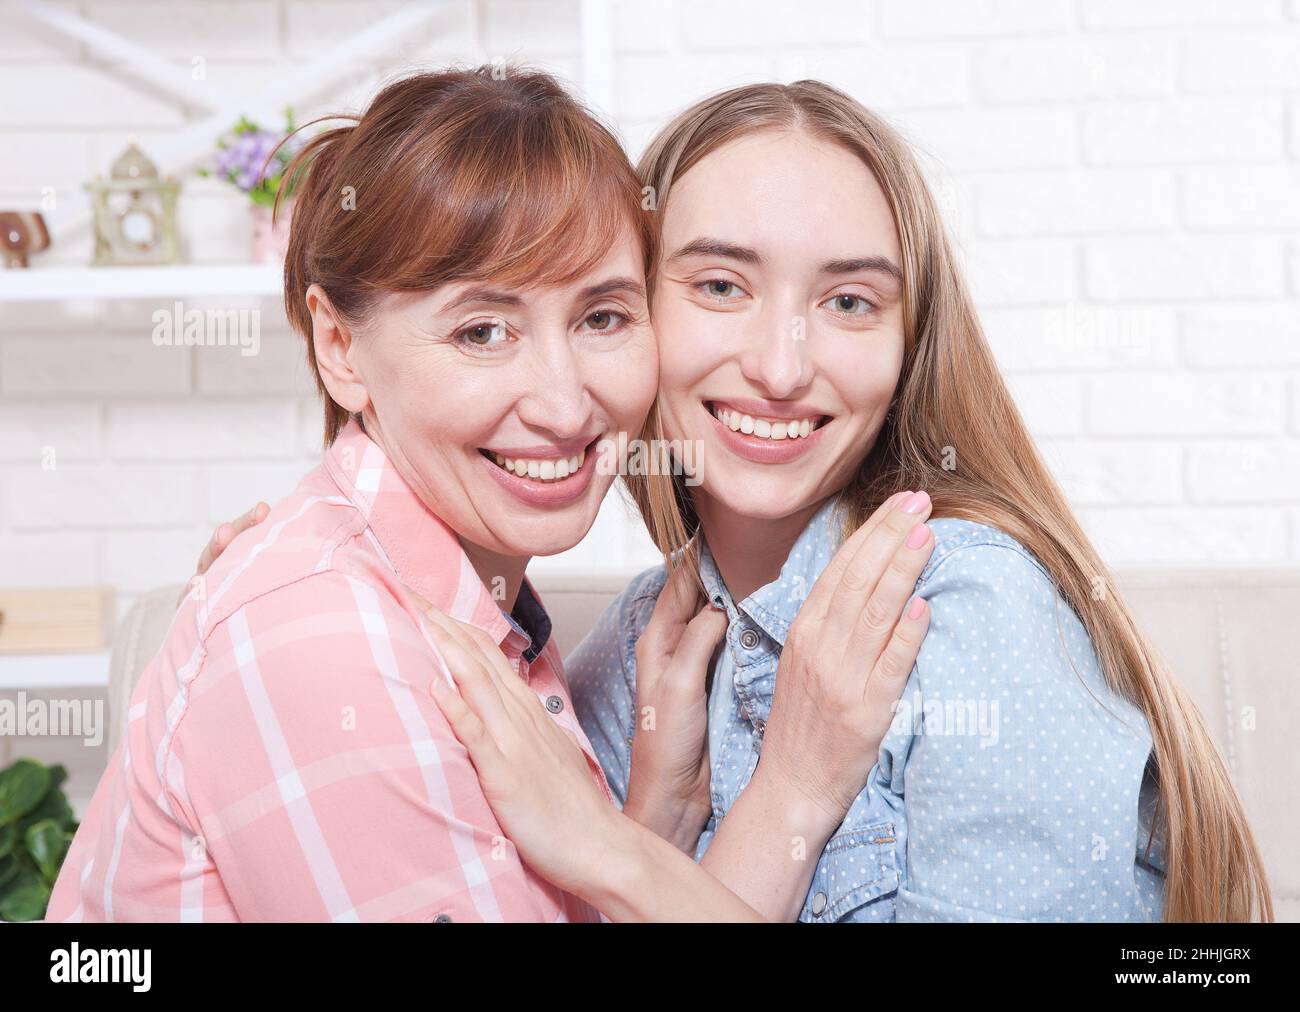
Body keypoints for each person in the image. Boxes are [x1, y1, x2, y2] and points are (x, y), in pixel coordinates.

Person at [48, 68, 930, 923]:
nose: (562, 401)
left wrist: (652, 815)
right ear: (340, 347)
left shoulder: (464, 607)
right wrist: (793, 792)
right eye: (482, 331)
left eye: (602, 318)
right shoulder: (325, 643)